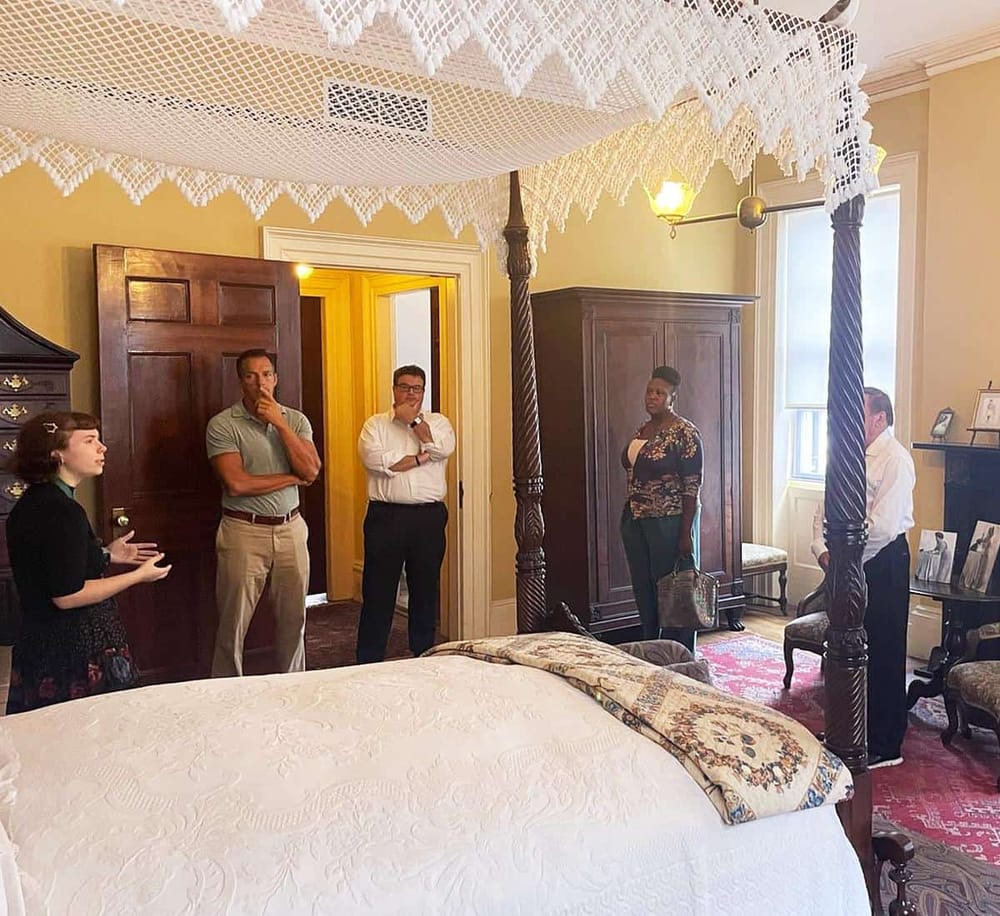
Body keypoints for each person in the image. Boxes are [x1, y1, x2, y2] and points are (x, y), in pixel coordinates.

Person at [5, 412, 171, 714]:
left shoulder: (35, 502)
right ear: (57, 453)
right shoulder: (62, 511)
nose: (102, 447)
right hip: (75, 649)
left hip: (41, 644)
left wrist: (105, 554)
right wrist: (138, 576)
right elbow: (67, 595)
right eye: (89, 440)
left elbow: (51, 564)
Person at [811, 387, 914, 769]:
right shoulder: (847, 454)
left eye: (858, 412)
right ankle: (850, 728)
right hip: (848, 560)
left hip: (882, 561)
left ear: (879, 418)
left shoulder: (895, 460)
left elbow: (884, 526)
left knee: (882, 649)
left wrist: (848, 560)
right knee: (848, 646)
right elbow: (824, 508)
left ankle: (886, 743)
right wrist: (824, 551)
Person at [206, 349, 321, 677]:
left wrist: (280, 424)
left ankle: (292, 684)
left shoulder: (295, 420)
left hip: (291, 529)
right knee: (233, 622)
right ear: (241, 381)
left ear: (276, 379)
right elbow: (237, 484)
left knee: (294, 618)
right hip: (244, 531)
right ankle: (226, 689)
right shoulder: (223, 424)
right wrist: (291, 479)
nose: (260, 383)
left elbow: (311, 470)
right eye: (251, 376)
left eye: (267, 375)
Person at [356, 365, 455, 664]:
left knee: (425, 589)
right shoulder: (375, 425)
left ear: (424, 392)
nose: (410, 394)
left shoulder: (439, 423)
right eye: (404, 387)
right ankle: (369, 660)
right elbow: (378, 462)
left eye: (416, 388)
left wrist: (414, 424)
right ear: (394, 389)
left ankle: (423, 655)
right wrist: (423, 457)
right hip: (385, 518)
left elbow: (442, 449)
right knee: (378, 591)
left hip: (428, 518)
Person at [619, 365, 703, 652]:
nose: (652, 397)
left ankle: (679, 652)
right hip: (635, 518)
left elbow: (692, 485)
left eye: (660, 393)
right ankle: (650, 647)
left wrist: (685, 533)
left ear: (672, 398)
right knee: (644, 588)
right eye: (649, 391)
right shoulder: (643, 430)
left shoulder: (684, 432)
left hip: (669, 520)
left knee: (673, 590)